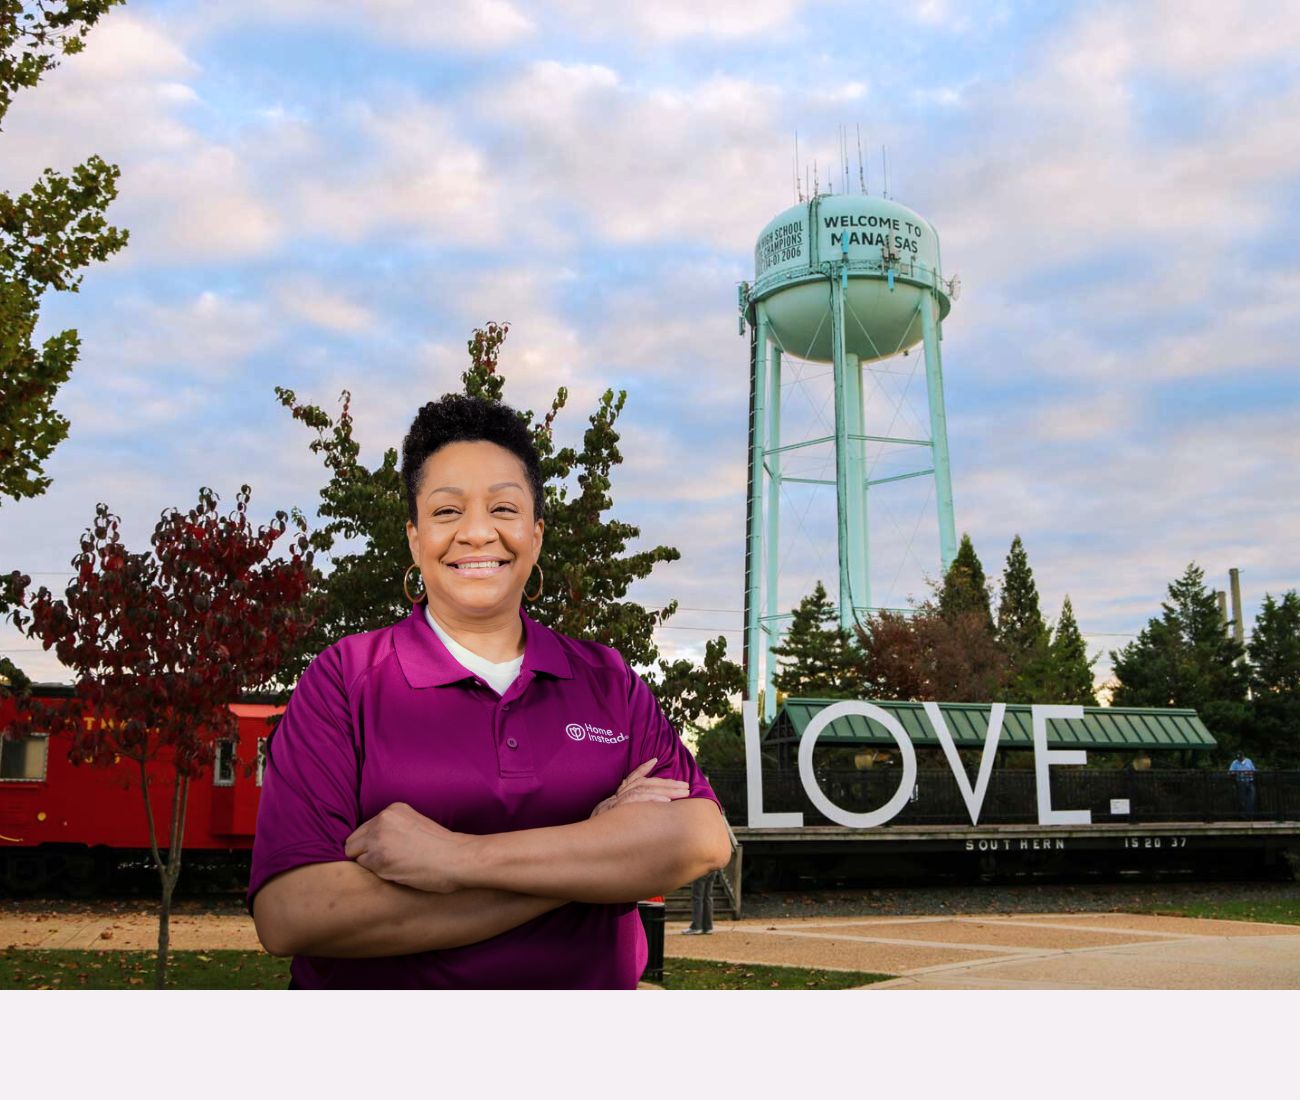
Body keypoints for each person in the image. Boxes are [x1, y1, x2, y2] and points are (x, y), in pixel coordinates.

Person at [248, 394, 731, 988]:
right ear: (414, 537)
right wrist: (596, 860)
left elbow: (701, 837)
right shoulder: (345, 679)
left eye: (503, 507)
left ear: (536, 534)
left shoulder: (608, 680)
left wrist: (455, 859)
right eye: (447, 511)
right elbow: (292, 913)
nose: (478, 533)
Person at [683, 869, 718, 935]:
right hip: (713, 869)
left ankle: (696, 927)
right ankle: (708, 927)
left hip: (702, 870)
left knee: (697, 898)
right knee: (707, 898)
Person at [1229, 750, 1257, 818]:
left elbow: (1253, 770)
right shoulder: (1234, 762)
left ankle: (1250, 814)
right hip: (1241, 782)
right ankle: (1243, 815)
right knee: (1242, 799)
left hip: (1250, 781)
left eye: (1240, 757)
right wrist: (1237, 773)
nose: (1239, 759)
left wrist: (1249, 773)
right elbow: (1230, 772)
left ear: (1243, 756)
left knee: (1251, 798)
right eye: (1238, 757)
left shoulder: (1249, 761)